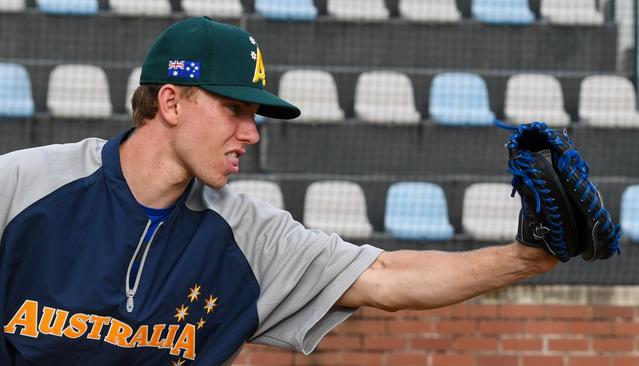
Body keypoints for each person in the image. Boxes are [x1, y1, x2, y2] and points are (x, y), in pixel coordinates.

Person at [0, 17, 557, 365]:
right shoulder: (27, 185)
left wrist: (525, 259)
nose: (252, 131)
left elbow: (387, 279)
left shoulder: (246, 236)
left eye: (255, 114)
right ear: (171, 103)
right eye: (234, 109)